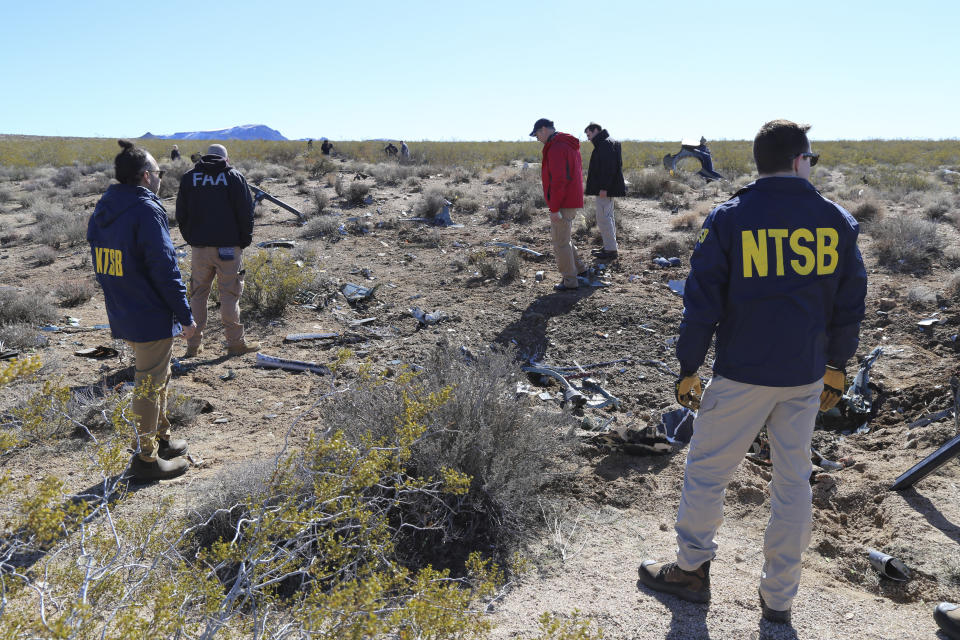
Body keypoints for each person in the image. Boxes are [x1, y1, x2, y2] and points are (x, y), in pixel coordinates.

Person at [637, 120, 867, 625]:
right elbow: (850, 305)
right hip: (805, 376)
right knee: (792, 483)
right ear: (798, 161)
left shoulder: (731, 218)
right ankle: (779, 599)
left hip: (742, 372)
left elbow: (701, 304)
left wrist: (689, 366)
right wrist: (837, 366)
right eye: (811, 159)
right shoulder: (837, 221)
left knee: (707, 472)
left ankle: (691, 570)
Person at [87, 140, 197, 481]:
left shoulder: (107, 207)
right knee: (149, 385)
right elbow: (165, 268)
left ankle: (161, 439)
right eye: (159, 173)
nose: (161, 178)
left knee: (157, 377)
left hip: (124, 306)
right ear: (146, 176)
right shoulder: (146, 210)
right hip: (149, 310)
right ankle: (146, 459)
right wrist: (185, 315)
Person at [175, 144, 258, 358]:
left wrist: (191, 239)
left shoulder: (190, 177)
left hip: (200, 248)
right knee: (229, 294)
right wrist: (243, 241)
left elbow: (181, 214)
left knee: (198, 294)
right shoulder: (234, 177)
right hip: (229, 247)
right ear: (226, 159)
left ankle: (193, 345)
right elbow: (246, 212)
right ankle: (235, 343)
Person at [530, 118, 586, 291]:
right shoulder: (565, 144)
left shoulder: (556, 147)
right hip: (570, 199)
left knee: (560, 242)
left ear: (544, 129)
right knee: (564, 238)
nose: (537, 138)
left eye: (537, 134)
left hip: (563, 202)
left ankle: (570, 280)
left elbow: (559, 181)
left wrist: (554, 208)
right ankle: (581, 270)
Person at [583, 122, 626, 261]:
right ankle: (609, 246)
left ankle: (611, 250)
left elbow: (609, 169)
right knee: (608, 217)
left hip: (605, 190)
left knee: (604, 218)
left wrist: (604, 188)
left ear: (596, 130)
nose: (588, 138)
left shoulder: (605, 144)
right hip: (607, 189)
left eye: (589, 134)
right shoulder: (609, 142)